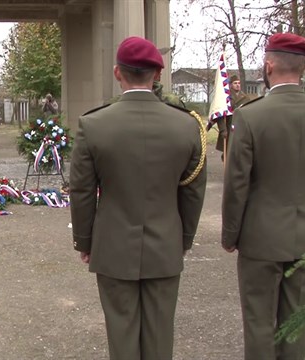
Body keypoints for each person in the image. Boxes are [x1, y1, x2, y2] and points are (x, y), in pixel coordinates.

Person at [70, 36, 207, 360]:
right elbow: (192, 191)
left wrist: (85, 242)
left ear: (117, 73)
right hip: (165, 245)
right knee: (161, 337)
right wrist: (183, 239)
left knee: (121, 336)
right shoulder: (187, 126)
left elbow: (82, 191)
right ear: (157, 75)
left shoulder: (93, 125)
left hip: (113, 246)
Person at [222, 33, 305, 360]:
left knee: (260, 323)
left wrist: (230, 234)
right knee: (296, 324)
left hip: (260, 238)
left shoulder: (251, 115)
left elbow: (237, 183)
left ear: (269, 64)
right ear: (302, 69)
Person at [215, 74, 250, 160]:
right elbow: (220, 115)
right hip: (229, 127)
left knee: (240, 151)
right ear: (231, 85)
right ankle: (227, 169)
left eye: (239, 83)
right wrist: (223, 129)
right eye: (235, 83)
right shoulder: (226, 98)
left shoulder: (245, 97)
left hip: (241, 128)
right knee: (228, 152)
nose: (238, 85)